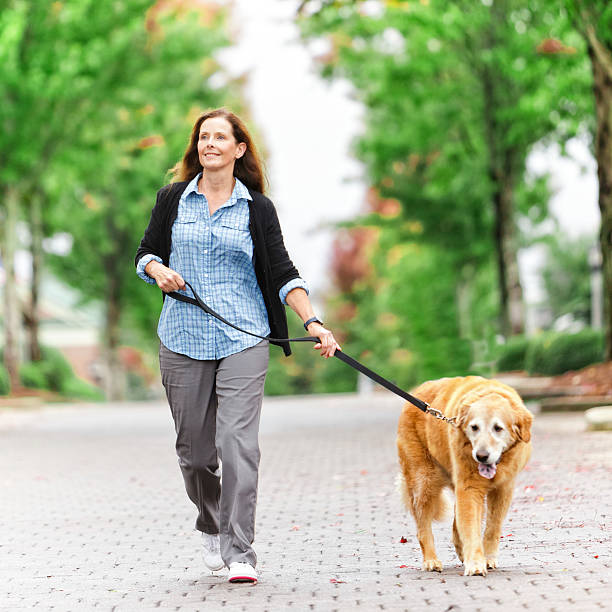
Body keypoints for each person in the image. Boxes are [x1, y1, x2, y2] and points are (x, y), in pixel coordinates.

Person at [135, 107, 340, 584]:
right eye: (203, 137)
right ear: (197, 148)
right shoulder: (171, 200)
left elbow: (285, 272)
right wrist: (156, 269)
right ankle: (210, 520)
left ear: (239, 149)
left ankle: (240, 549)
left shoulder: (257, 209)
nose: (210, 144)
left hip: (243, 337)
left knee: (237, 444)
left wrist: (312, 321)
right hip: (182, 337)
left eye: (220, 137)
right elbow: (145, 251)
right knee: (195, 453)